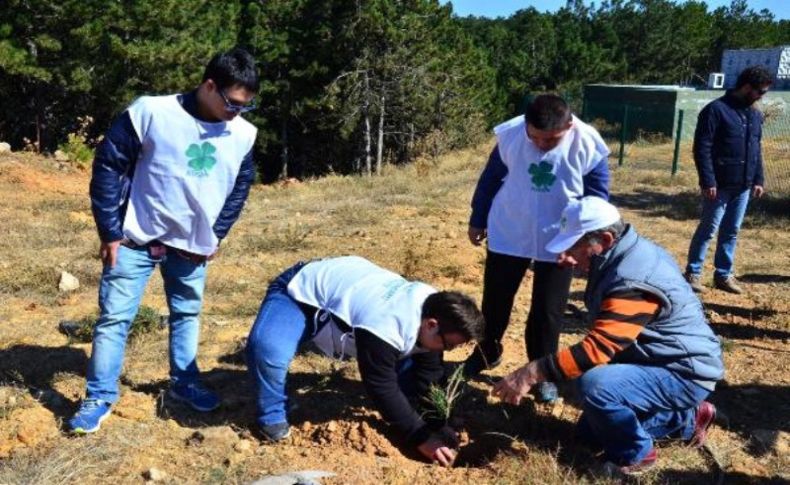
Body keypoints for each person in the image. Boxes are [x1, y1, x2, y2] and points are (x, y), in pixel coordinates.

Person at [69, 48, 260, 434]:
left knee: (187, 314)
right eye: (232, 103)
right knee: (114, 319)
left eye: (246, 106)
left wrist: (216, 233)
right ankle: (100, 396)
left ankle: (184, 383)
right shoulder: (151, 112)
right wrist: (109, 230)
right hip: (136, 238)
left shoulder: (243, 133)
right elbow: (109, 165)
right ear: (209, 85)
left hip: (191, 245)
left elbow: (240, 186)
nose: (236, 112)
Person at [492, 196, 724, 477]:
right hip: (657, 358)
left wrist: (529, 373)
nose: (563, 259)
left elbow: (597, 350)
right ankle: (687, 421)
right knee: (590, 436)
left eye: (573, 248)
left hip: (682, 371)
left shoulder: (632, 277)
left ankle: (638, 456)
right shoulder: (622, 254)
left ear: (604, 238)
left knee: (597, 385)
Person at [246, 256, 485, 467]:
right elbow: (380, 386)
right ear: (431, 324)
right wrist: (420, 438)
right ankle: (272, 415)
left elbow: (429, 374)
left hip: (352, 295)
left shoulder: (436, 311)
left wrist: (437, 423)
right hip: (302, 294)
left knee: (412, 384)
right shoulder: (387, 323)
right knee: (268, 349)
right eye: (449, 345)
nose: (449, 350)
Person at [464, 93, 610, 403]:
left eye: (551, 140)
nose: (542, 146)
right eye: (536, 138)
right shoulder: (511, 136)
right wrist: (478, 219)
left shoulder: (588, 143)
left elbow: (598, 198)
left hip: (561, 236)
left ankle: (543, 370)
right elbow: (490, 179)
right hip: (510, 227)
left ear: (568, 126)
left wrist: (590, 240)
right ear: (526, 125)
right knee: (496, 299)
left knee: (548, 310)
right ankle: (486, 351)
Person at [685, 65, 771, 294]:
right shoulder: (716, 110)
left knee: (731, 230)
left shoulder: (754, 115)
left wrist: (758, 179)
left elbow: (756, 149)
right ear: (746, 87)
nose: (762, 97)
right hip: (719, 185)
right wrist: (708, 181)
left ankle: (723, 275)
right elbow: (702, 148)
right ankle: (693, 273)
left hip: (743, 185)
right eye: (760, 92)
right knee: (708, 229)